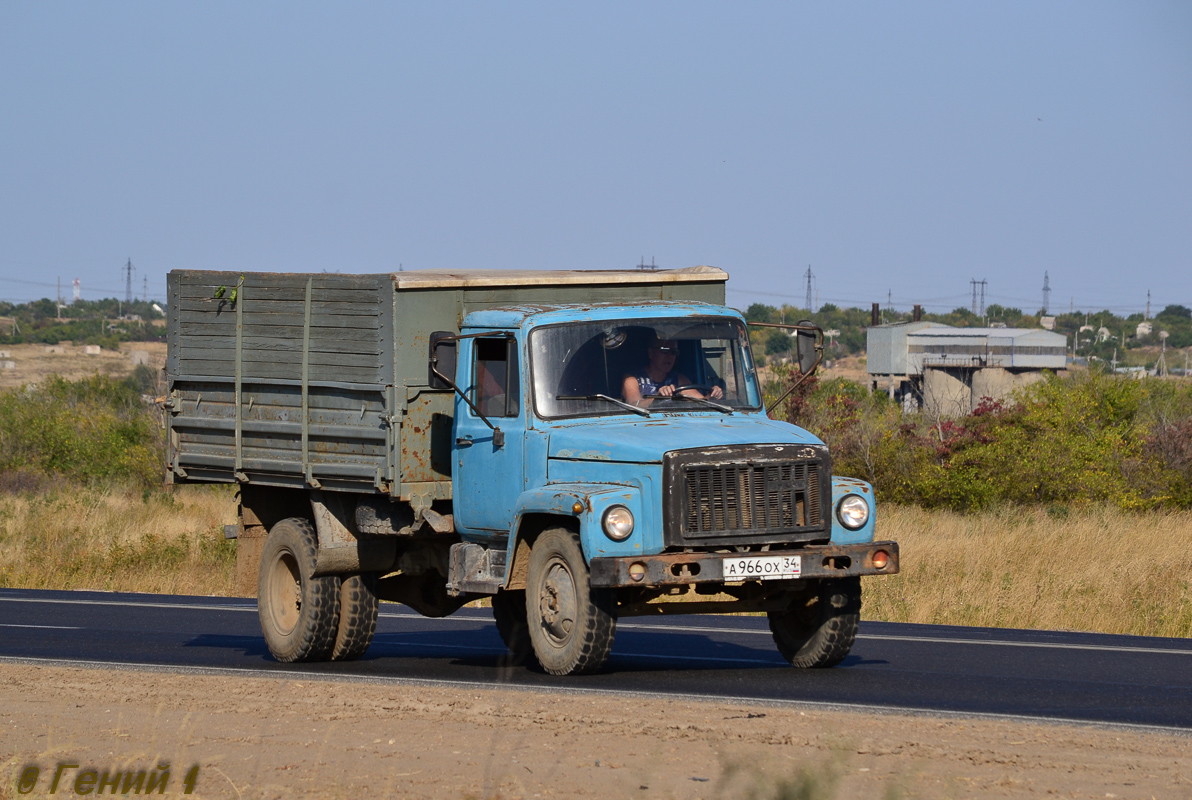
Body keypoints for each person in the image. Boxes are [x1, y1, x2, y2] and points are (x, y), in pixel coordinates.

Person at [621, 334, 724, 408]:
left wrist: (712, 395)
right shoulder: (632, 378)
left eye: (674, 352)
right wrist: (657, 399)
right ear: (651, 353)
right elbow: (634, 404)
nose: (670, 356)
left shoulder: (678, 379)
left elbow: (702, 402)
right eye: (665, 351)